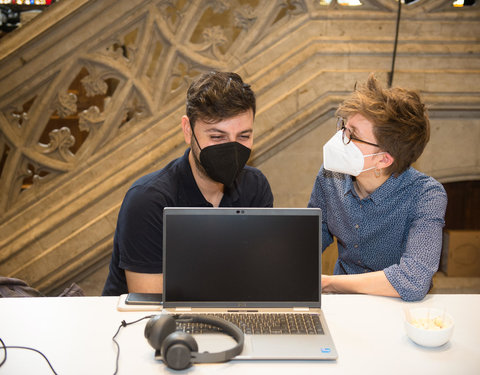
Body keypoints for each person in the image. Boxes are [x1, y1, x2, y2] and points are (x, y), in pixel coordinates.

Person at [103, 71, 273, 296]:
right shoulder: (147, 200)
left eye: (243, 136)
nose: (232, 149)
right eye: (216, 137)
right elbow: (149, 302)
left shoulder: (255, 186)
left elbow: (259, 278)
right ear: (187, 130)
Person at [308, 74, 447, 302]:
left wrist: (329, 283)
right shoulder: (330, 175)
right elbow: (312, 239)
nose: (340, 138)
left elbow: (414, 280)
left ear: (383, 159)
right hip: (344, 302)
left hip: (395, 303)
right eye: (344, 128)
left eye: (353, 135)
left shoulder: (426, 195)